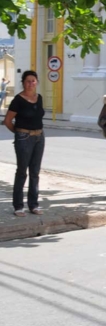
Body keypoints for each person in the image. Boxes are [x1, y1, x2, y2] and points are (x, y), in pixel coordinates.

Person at [3, 70, 46, 217]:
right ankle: (18, 206)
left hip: (39, 137)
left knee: (35, 172)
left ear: (37, 82)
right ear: (23, 83)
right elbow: (7, 121)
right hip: (24, 137)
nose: (30, 83)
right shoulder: (18, 100)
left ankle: (33, 205)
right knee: (22, 172)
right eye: (28, 81)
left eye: (33, 81)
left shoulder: (39, 98)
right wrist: (18, 133)